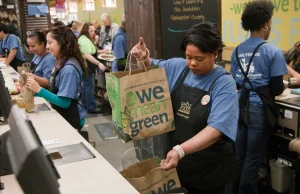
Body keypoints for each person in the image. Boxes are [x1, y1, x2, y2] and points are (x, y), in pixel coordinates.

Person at [132, 22, 239, 194]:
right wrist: (143, 57)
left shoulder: (224, 83)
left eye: (199, 58)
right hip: (176, 165)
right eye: (189, 57)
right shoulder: (178, 67)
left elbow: (215, 130)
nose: (192, 63)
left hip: (209, 172)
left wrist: (181, 150)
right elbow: (149, 69)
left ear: (215, 54)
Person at [229, 1, 288, 194]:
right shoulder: (273, 51)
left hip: (240, 106)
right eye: (270, 23)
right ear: (265, 25)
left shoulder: (237, 50)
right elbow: (278, 89)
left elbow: (236, 83)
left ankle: (233, 190)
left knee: (239, 155)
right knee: (253, 157)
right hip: (258, 109)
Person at [25, 25, 87, 131]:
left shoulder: (69, 69)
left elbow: (64, 102)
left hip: (70, 118)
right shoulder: (59, 62)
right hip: (60, 113)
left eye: (50, 42)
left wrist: (39, 89)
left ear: (62, 42)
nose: (47, 47)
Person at [78, 22, 106, 114]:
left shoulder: (83, 38)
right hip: (87, 66)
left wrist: (101, 51)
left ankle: (86, 105)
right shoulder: (85, 40)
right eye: (91, 31)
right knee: (89, 86)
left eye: (94, 30)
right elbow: (87, 55)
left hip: (83, 66)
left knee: (86, 86)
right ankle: (91, 107)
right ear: (86, 31)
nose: (93, 32)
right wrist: (98, 63)